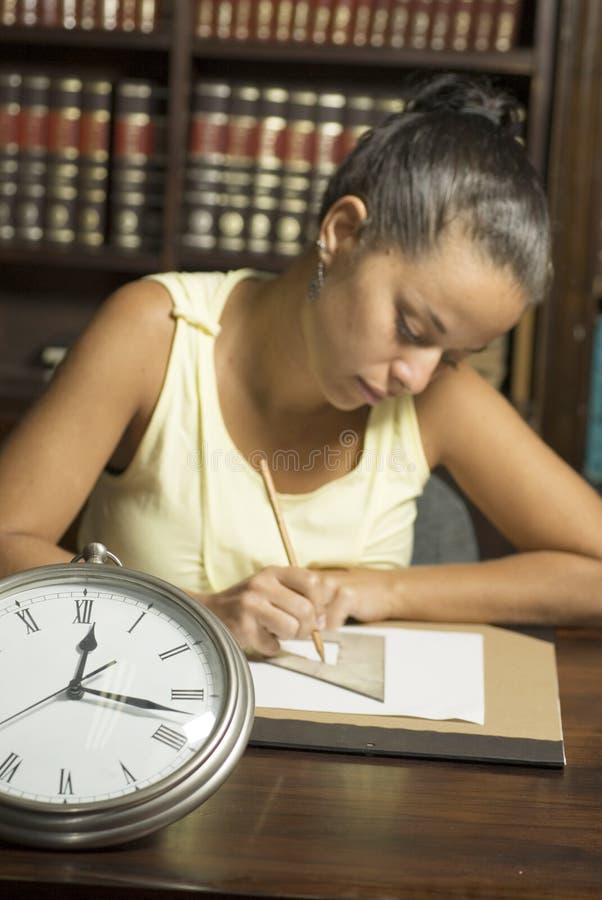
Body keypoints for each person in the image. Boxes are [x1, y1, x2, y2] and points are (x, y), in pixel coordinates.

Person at [0, 73, 600, 656]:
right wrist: (199, 613)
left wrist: (381, 589)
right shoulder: (154, 334)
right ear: (341, 233)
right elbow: (7, 540)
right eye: (412, 329)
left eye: (453, 357)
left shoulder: (437, 397)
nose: (416, 376)